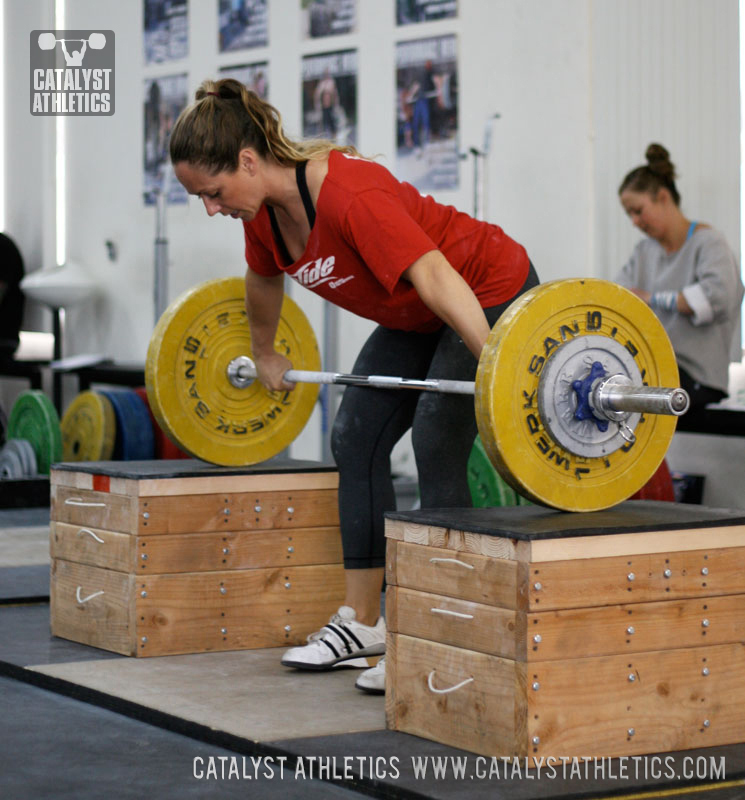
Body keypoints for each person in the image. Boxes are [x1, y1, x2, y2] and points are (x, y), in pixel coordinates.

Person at [169, 78, 539, 694]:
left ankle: (442, 631)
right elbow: (262, 280)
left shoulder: (346, 193)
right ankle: (364, 623)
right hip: (416, 312)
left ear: (248, 161)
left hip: (485, 290)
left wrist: (494, 360)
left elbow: (433, 272)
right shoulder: (260, 212)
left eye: (212, 193)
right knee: (356, 434)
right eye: (200, 200)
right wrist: (265, 352)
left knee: (435, 436)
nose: (212, 208)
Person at [615, 144, 743, 428]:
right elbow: (619, 297)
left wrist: (651, 298)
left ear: (662, 197)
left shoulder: (709, 244)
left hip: (697, 377)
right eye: (629, 215)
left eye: (638, 211)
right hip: (657, 369)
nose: (635, 222)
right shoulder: (644, 252)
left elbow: (716, 300)